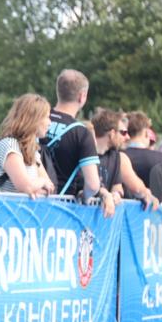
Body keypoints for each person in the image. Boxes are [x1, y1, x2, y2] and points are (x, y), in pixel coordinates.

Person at [43, 69, 114, 217]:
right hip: (60, 210)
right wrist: (85, 196)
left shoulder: (37, 119)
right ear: (82, 96)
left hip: (27, 203)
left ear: (58, 91)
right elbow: (93, 184)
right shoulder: (81, 133)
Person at [0, 94, 56, 196]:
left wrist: (35, 188)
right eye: (46, 117)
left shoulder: (32, 151)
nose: (50, 123)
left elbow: (50, 188)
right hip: (5, 206)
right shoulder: (10, 145)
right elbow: (26, 187)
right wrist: (42, 182)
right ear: (33, 119)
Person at [124, 111, 162, 204]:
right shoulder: (161, 158)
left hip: (121, 211)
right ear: (146, 133)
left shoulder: (118, 156)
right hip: (154, 210)